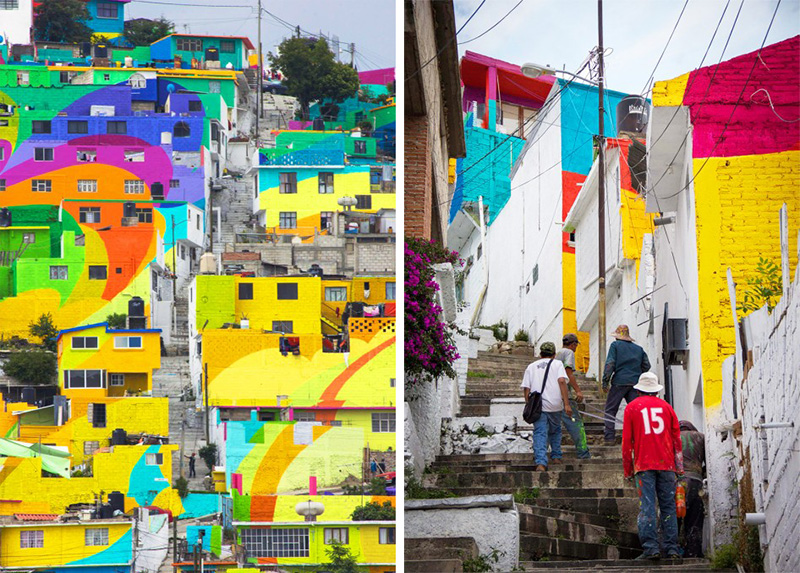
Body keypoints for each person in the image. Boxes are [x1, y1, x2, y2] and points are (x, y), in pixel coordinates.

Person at [622, 372, 684, 560]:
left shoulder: (632, 408)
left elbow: (627, 442)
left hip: (644, 465)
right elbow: (677, 440)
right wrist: (679, 468)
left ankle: (651, 548)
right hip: (667, 465)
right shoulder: (667, 408)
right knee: (668, 507)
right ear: (656, 391)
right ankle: (671, 548)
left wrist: (628, 469)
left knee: (647, 506)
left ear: (639, 391)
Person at [521, 342, 572, 471]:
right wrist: (566, 403)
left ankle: (541, 463)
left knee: (540, 433)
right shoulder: (557, 364)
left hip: (538, 406)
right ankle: (556, 456)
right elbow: (562, 381)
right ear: (554, 355)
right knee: (555, 431)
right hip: (555, 404)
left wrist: (529, 404)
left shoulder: (531, 366)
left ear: (540, 354)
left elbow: (526, 388)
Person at [602, 325, 651, 444]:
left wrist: (605, 382)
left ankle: (609, 437)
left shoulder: (615, 346)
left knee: (610, 409)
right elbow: (647, 365)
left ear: (617, 337)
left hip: (619, 382)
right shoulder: (639, 349)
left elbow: (610, 364)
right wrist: (637, 374)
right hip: (635, 384)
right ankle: (640, 437)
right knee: (637, 411)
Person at [556, 334, 591, 459]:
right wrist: (578, 391)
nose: (576, 348)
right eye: (576, 345)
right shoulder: (569, 353)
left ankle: (553, 454)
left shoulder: (557, 354)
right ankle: (583, 453)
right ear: (573, 344)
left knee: (554, 425)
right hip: (565, 395)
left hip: (553, 396)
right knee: (575, 424)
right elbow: (568, 373)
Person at [678, 420, 706, 557]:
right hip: (695, 481)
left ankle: (669, 551)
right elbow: (708, 460)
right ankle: (693, 552)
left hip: (675, 482)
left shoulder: (671, 437)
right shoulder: (700, 437)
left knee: (672, 516)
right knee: (695, 516)